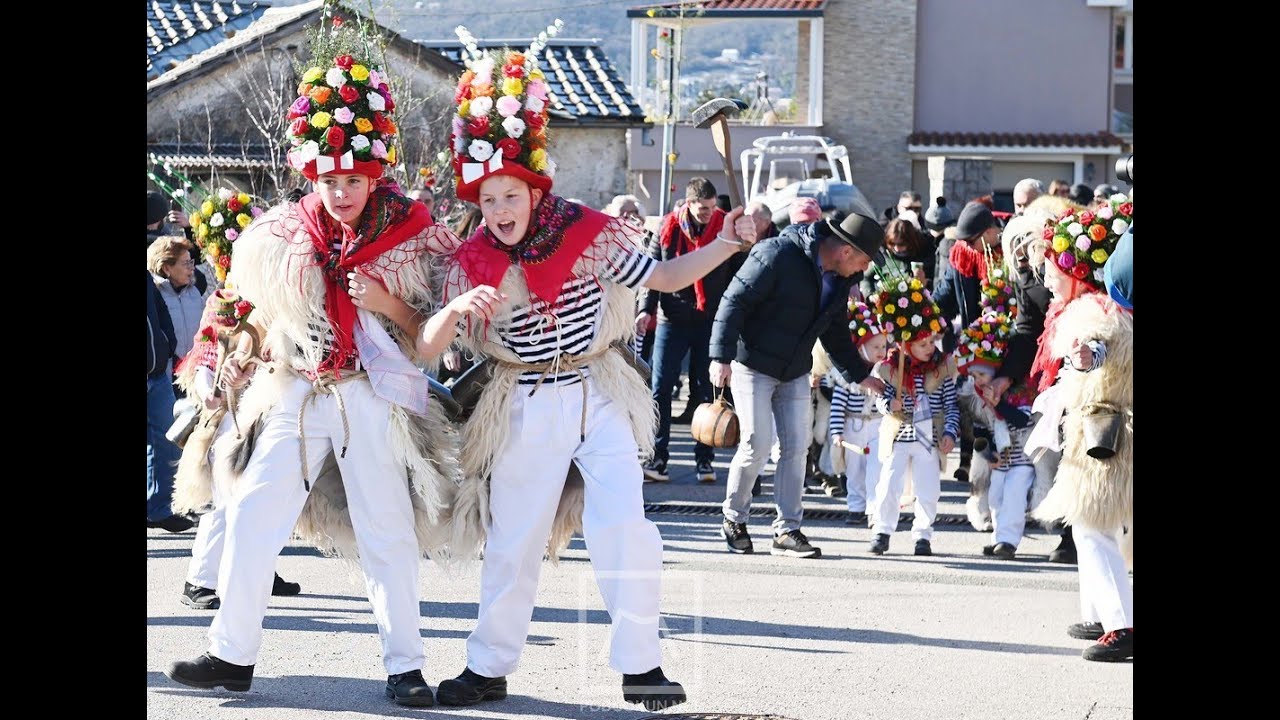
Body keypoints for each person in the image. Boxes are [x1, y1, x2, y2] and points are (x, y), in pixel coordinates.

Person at [387, 33, 758, 711]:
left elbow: (667, 276)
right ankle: (488, 666)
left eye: (510, 195)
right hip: (523, 402)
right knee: (514, 540)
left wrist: (726, 243)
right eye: (488, 198)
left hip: (597, 391)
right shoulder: (473, 259)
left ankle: (642, 666)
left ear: (532, 186)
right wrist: (459, 310)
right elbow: (426, 348)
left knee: (627, 527)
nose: (499, 210)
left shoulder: (588, 232)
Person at [164, 40, 460, 706]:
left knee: (386, 530)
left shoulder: (412, 230)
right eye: (331, 180)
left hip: (371, 395)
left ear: (376, 172)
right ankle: (229, 654)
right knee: (250, 514)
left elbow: (434, 329)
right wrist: (222, 356)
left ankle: (405, 667)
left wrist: (385, 303)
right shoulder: (278, 233)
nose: (342, 191)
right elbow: (240, 308)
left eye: (354, 179)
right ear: (311, 174)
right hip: (296, 391)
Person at [711, 209, 885, 559]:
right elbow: (734, 300)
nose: (865, 269)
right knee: (757, 444)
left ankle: (787, 530)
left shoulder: (839, 280)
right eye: (865, 259)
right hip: (752, 363)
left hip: (794, 370)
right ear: (846, 251)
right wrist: (720, 357)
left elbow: (835, 333)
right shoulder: (777, 254)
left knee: (797, 447)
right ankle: (733, 518)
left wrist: (859, 374)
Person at [1029, 196, 1133, 662]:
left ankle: (1121, 625)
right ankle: (1099, 612)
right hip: (1102, 429)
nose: (1048, 278)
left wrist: (1085, 354)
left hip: (1104, 434)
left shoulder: (1098, 314)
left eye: (1054, 267)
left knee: (1093, 525)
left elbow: (1097, 347)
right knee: (1098, 525)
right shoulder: (1111, 309)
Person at [638, 177, 734, 483]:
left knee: (705, 390)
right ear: (689, 204)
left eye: (711, 207)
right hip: (672, 318)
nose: (708, 212)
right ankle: (657, 458)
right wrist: (645, 310)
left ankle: (704, 461)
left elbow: (735, 277)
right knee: (660, 388)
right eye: (702, 208)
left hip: (711, 320)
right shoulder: (667, 229)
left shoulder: (725, 229)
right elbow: (652, 272)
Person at [867, 278, 959, 557]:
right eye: (922, 344)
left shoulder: (940, 370)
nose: (930, 347)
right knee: (888, 486)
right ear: (907, 346)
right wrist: (888, 404)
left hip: (928, 441)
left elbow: (951, 406)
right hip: (899, 437)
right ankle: (882, 531)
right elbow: (879, 400)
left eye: (932, 341)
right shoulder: (890, 370)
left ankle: (923, 535)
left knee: (928, 489)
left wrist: (950, 433)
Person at [828, 301, 889, 525]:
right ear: (861, 348)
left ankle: (874, 509)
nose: (881, 352)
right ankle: (856, 506)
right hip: (853, 427)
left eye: (884, 347)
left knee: (876, 467)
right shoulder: (848, 376)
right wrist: (836, 432)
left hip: (877, 426)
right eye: (876, 347)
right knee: (854, 470)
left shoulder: (886, 371)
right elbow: (837, 405)